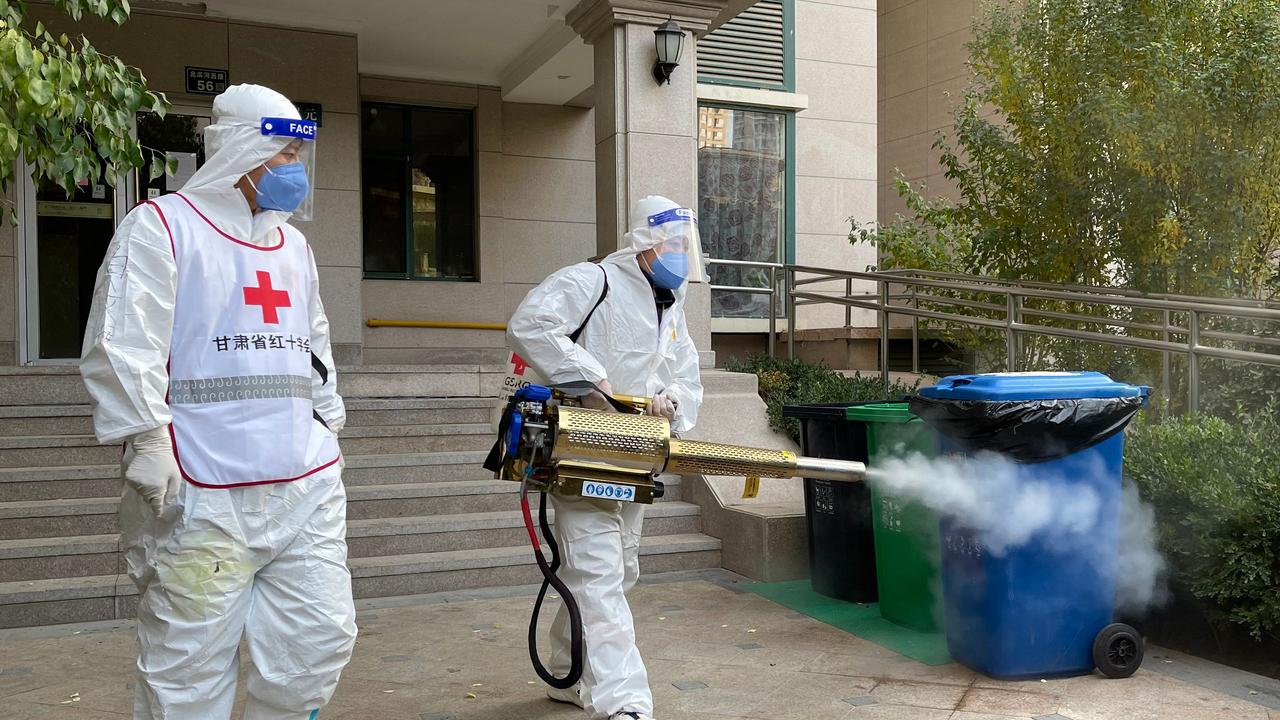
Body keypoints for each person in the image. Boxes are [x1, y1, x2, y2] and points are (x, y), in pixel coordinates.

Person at [80, 83, 355, 720]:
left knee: (317, 644)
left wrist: (330, 420)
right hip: (206, 492)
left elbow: (313, 344)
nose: (293, 169)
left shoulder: (293, 247)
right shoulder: (165, 228)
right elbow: (124, 341)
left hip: (303, 485)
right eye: (280, 153)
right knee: (188, 668)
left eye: (296, 154)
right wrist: (147, 438)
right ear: (238, 150)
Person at [507, 195, 706, 720]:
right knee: (597, 572)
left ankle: (567, 670)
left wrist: (672, 403)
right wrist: (591, 379)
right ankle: (625, 700)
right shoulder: (590, 282)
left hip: (635, 453)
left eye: (686, 247)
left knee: (619, 570)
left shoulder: (671, 305)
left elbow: (685, 374)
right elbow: (529, 325)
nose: (681, 257)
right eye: (673, 246)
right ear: (645, 243)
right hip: (582, 447)